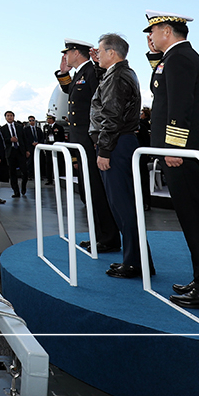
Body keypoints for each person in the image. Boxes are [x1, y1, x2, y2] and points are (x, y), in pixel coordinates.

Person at [144, 11, 199, 309]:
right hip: (180, 150)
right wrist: (154, 57)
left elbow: (180, 105)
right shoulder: (175, 58)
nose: (149, 37)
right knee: (191, 218)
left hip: (182, 152)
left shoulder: (181, 58)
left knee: (195, 219)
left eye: (153, 31)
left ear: (167, 30)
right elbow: (162, 88)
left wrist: (174, 147)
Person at [89, 33, 150, 279]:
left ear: (112, 53)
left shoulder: (117, 76)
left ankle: (135, 262)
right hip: (121, 142)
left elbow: (111, 117)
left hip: (116, 145)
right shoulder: (122, 72)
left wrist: (104, 150)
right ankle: (136, 259)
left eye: (101, 52)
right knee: (123, 206)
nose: (98, 55)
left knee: (122, 206)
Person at [56, 38, 120, 252]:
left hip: (90, 142)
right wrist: (63, 73)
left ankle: (108, 238)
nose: (65, 56)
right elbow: (71, 93)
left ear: (77, 52)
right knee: (87, 191)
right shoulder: (80, 75)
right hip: (81, 143)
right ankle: (98, 235)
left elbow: (101, 104)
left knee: (96, 191)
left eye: (68, 52)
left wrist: (99, 142)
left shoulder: (92, 72)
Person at [1, 111, 32, 198]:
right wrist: (10, 140)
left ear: (13, 117)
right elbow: (2, 140)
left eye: (11, 116)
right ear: (5, 117)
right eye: (8, 116)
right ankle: (16, 191)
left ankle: (23, 187)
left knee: (25, 171)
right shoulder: (3, 129)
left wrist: (27, 150)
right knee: (12, 173)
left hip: (20, 151)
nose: (10, 117)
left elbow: (24, 138)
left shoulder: (19, 127)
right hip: (10, 152)